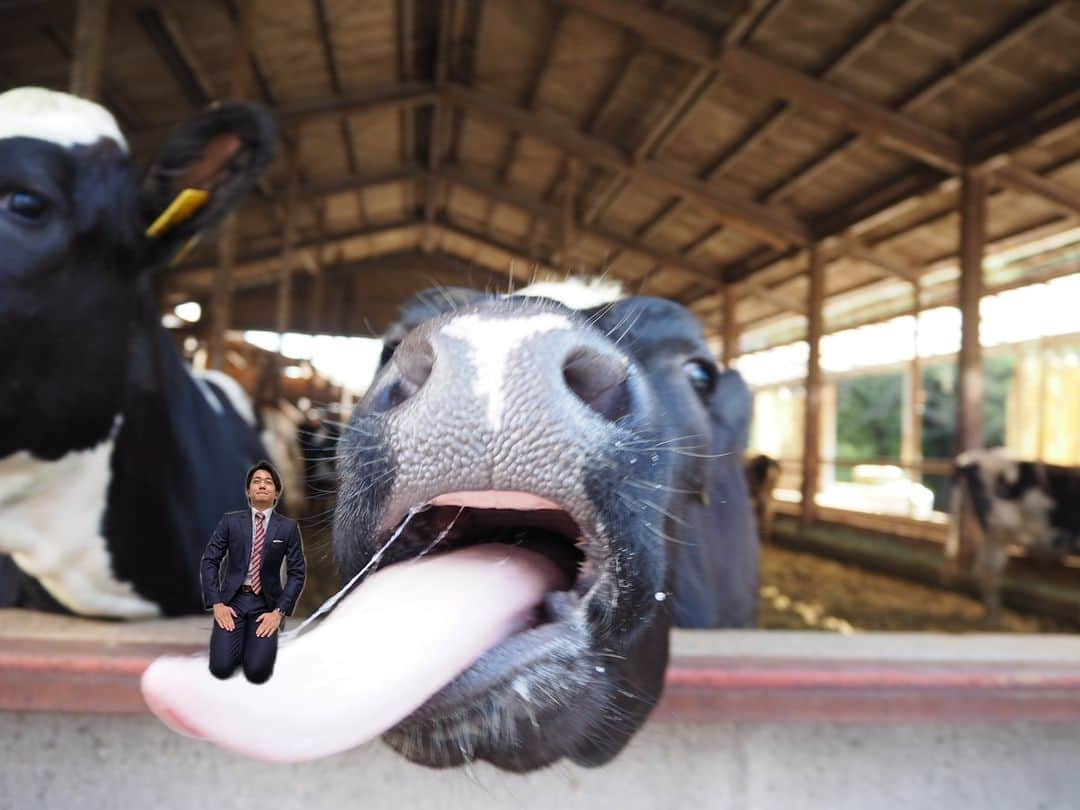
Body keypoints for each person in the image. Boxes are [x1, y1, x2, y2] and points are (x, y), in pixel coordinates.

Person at [200, 460, 306, 684]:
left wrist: (278, 612)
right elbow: (210, 561)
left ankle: (253, 645)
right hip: (232, 602)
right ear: (248, 490)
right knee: (220, 668)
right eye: (256, 481)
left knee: (258, 672)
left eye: (268, 482)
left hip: (266, 605)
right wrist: (217, 604)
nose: (262, 485)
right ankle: (238, 643)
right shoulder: (231, 522)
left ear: (276, 493)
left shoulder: (287, 527)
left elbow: (297, 572)